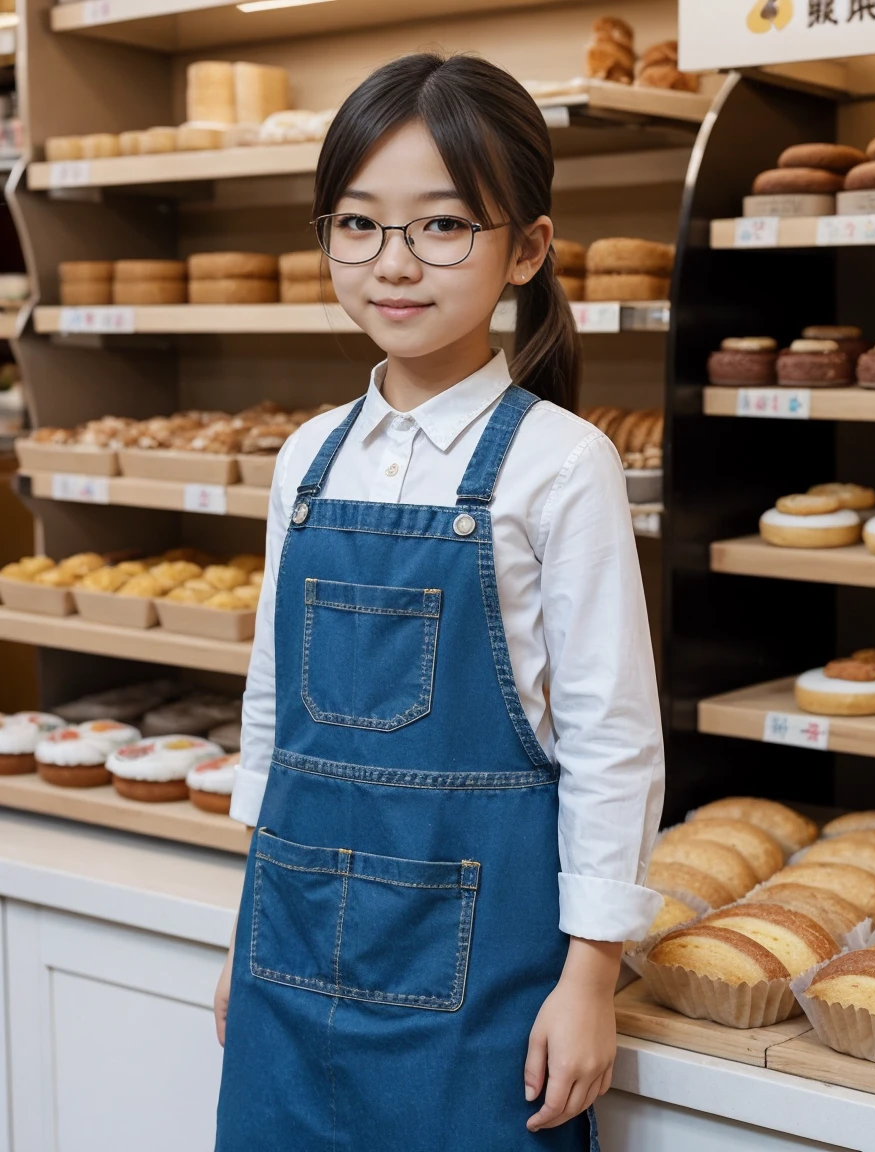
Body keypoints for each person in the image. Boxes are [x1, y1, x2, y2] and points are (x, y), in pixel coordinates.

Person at [212, 52, 665, 1151]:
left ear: (527, 249)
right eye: (357, 225)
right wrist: (243, 936)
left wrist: (591, 977)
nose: (394, 264)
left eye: (444, 225)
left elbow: (613, 739)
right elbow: (272, 718)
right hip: (289, 948)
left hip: (486, 986)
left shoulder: (562, 465)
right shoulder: (308, 458)